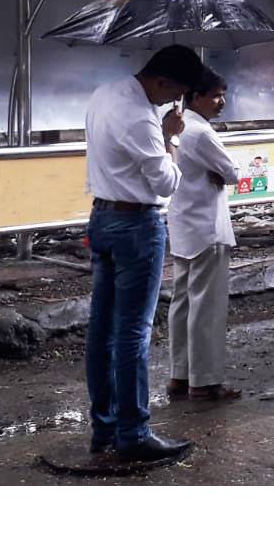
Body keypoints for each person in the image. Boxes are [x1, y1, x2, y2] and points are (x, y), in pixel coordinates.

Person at [84, 45, 203, 461]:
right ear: (161, 80)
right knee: (133, 332)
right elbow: (166, 183)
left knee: (102, 330)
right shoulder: (140, 118)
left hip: (102, 217)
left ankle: (105, 427)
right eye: (175, 93)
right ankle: (133, 433)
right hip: (137, 224)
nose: (174, 101)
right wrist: (170, 136)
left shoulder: (104, 94)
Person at [166, 68, 243, 403]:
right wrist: (221, 174)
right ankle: (204, 380)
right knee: (206, 307)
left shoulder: (177, 127)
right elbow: (233, 172)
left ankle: (180, 375)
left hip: (184, 225)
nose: (221, 101)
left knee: (182, 304)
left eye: (222, 95)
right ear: (195, 97)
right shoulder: (201, 133)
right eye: (215, 95)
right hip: (207, 228)